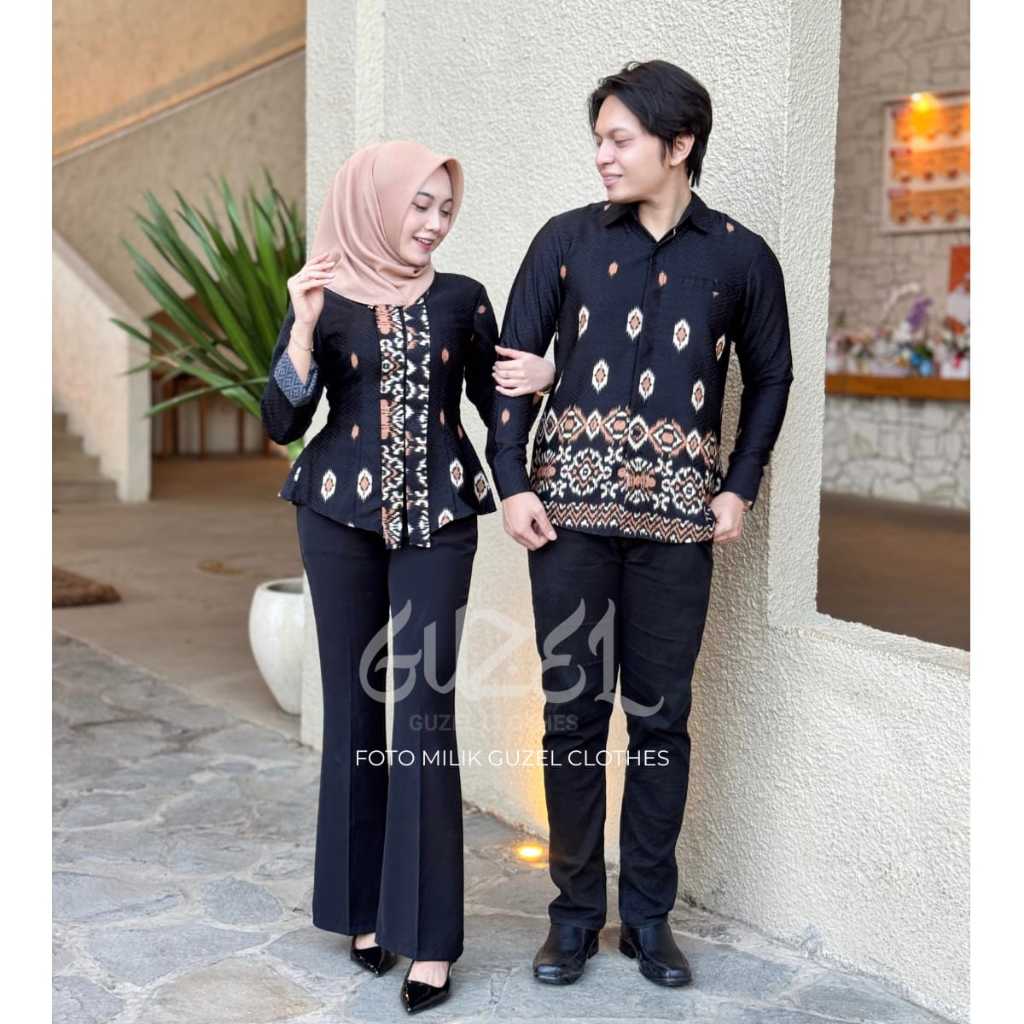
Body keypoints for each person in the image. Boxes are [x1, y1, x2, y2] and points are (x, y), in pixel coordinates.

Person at [485, 60, 795, 988]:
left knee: (662, 723)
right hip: (567, 526)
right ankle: (575, 916)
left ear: (679, 144)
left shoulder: (740, 256)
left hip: (677, 532)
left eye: (619, 139)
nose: (603, 156)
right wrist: (513, 481)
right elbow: (512, 365)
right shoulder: (565, 240)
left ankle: (649, 919)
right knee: (571, 720)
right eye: (599, 139)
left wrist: (739, 486)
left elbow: (773, 375)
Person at [259, 140, 555, 1014]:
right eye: (419, 205)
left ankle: (428, 938)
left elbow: (498, 404)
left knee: (423, 711)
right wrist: (302, 328)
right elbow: (281, 421)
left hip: (440, 524)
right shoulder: (323, 294)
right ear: (375, 203)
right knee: (355, 710)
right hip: (334, 520)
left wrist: (545, 385)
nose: (433, 224)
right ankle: (361, 911)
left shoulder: (463, 299)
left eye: (445, 209)